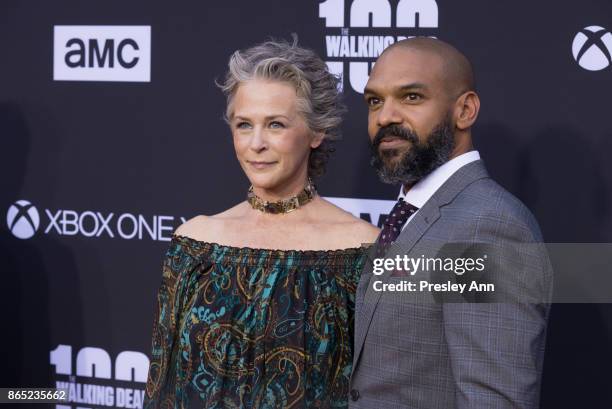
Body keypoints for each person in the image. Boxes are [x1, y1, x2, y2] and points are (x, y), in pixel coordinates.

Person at [143, 38, 379, 409]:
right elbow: (162, 385)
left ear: (316, 132)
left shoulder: (362, 251)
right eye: (243, 125)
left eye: (276, 125)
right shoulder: (194, 245)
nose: (256, 143)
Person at [349, 38, 552, 408]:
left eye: (411, 97)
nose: (385, 117)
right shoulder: (411, 212)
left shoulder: (486, 227)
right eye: (374, 101)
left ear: (465, 110)